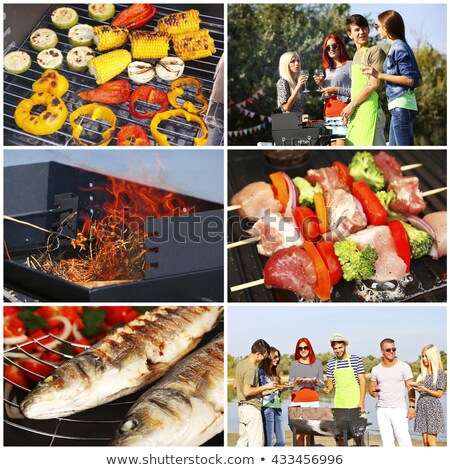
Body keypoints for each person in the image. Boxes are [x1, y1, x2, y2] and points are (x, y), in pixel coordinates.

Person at [362, 10, 422, 145]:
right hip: (400, 106)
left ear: (386, 28)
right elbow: (419, 80)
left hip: (402, 106)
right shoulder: (400, 46)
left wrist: (378, 75)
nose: (377, 30)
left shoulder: (399, 47)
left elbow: (410, 80)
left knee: (402, 153)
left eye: (377, 26)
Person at [341, 14, 386, 146]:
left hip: (372, 113)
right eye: (357, 30)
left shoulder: (375, 51)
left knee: (378, 157)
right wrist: (349, 112)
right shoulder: (355, 56)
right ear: (349, 34)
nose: (362, 32)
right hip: (357, 113)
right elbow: (357, 88)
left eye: (364, 28)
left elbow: (373, 85)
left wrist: (351, 105)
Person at [369, 338, 415, 447]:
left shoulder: (404, 367)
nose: (391, 352)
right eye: (388, 349)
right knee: (387, 442)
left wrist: (412, 407)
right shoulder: (376, 369)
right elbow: (371, 389)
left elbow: (411, 388)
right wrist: (374, 392)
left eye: (394, 349)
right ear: (382, 351)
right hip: (382, 409)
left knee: (404, 441)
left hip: (399, 409)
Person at [235, 339, 277, 447]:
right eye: (264, 356)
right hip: (252, 410)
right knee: (256, 445)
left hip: (242, 409)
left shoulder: (240, 364)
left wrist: (271, 390)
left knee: (242, 444)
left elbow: (236, 385)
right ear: (258, 354)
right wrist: (266, 386)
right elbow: (247, 391)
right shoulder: (251, 368)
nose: (264, 359)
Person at [313, 34, 352, 146]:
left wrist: (335, 89)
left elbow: (355, 91)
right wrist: (321, 85)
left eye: (334, 46)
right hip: (328, 116)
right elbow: (326, 94)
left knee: (340, 152)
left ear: (340, 46)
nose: (331, 49)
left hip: (342, 115)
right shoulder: (327, 70)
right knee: (331, 152)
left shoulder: (350, 65)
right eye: (328, 47)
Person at [289, 337, 324, 446]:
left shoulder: (317, 363)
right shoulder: (294, 364)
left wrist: (315, 381)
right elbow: (290, 386)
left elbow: (322, 384)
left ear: (309, 348)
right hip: (297, 401)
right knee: (299, 433)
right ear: (297, 350)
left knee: (309, 432)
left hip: (312, 401)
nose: (303, 350)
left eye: (305, 347)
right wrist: (295, 382)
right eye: (300, 348)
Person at [412, 344, 445, 446]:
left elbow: (439, 394)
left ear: (433, 357)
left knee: (431, 441)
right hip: (422, 407)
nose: (424, 359)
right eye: (422, 356)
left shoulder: (440, 373)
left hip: (433, 408)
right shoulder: (422, 372)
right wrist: (417, 388)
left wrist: (425, 389)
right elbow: (422, 390)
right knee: (425, 442)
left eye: (426, 356)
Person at [258, 347, 286, 447]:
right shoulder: (261, 373)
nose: (277, 359)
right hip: (267, 408)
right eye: (275, 357)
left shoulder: (275, 373)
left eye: (278, 357)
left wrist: (282, 389)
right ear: (269, 357)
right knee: (268, 442)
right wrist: (272, 390)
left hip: (278, 407)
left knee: (282, 441)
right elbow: (259, 393)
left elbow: (276, 392)